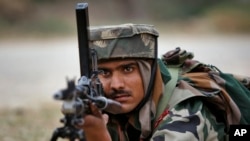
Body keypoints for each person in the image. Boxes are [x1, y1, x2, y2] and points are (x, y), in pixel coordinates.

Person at [75, 23, 249, 141]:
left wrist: (98, 135)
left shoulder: (185, 113)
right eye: (104, 72)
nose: (116, 84)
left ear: (148, 71)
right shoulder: (109, 107)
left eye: (128, 69)